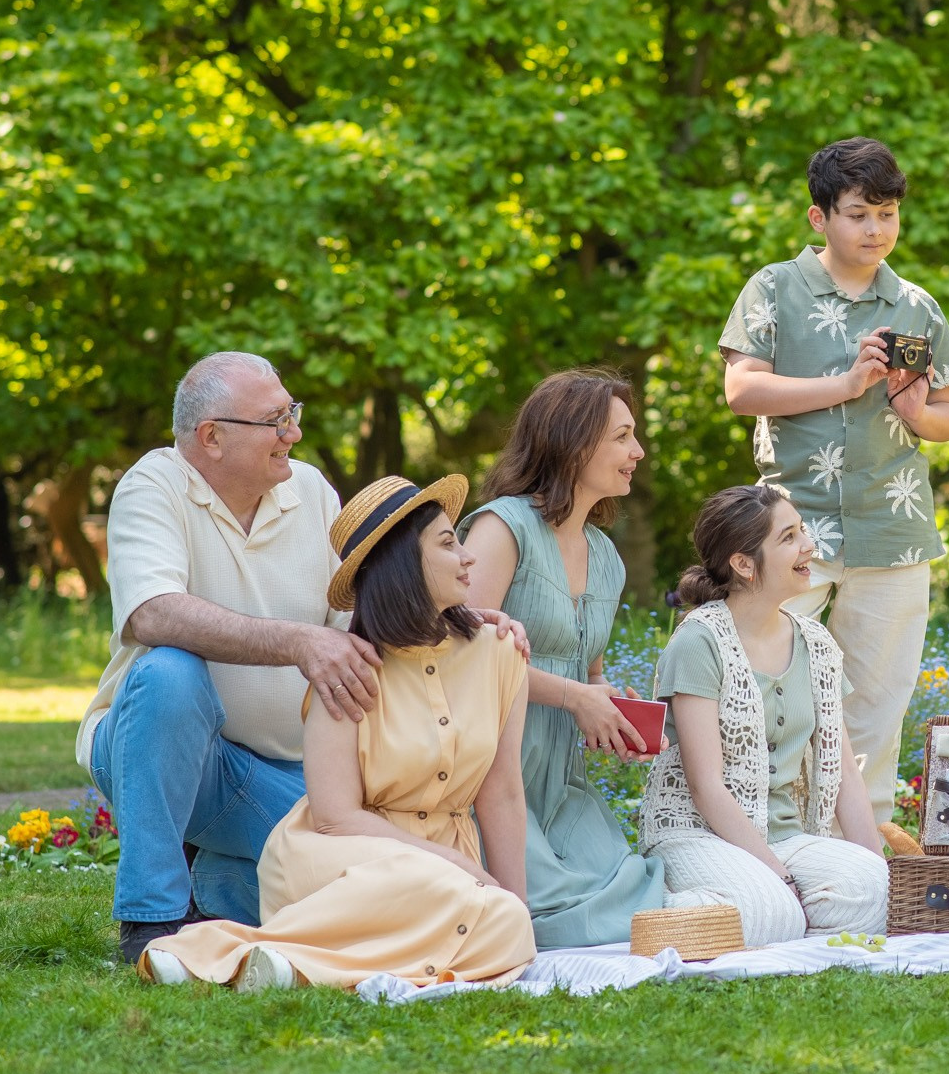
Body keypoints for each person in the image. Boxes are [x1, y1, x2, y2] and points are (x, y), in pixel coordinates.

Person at [78, 352, 527, 965]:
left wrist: (455, 623)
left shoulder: (309, 489)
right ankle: (151, 921)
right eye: (277, 420)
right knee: (168, 672)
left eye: (293, 413)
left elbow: (365, 625)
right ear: (212, 437)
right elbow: (152, 613)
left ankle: (216, 894)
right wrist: (297, 641)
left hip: (287, 774)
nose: (294, 432)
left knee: (331, 877)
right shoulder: (153, 486)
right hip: (169, 749)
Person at [140, 474, 536, 990]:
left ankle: (286, 966)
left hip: (441, 875)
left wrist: (515, 904)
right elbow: (334, 817)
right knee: (442, 887)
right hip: (340, 856)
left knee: (506, 922)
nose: (467, 557)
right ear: (402, 566)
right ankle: (222, 952)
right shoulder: (347, 668)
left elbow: (502, 792)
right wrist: (452, 863)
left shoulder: (502, 653)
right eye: (446, 543)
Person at [718, 137, 949, 843]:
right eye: (859, 213)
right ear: (818, 217)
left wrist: (920, 414)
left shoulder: (917, 304)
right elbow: (741, 388)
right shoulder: (773, 288)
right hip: (790, 530)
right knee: (763, 687)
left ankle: (864, 843)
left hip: (894, 526)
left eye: (888, 214)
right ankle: (760, 833)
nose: (876, 230)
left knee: (877, 701)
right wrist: (846, 385)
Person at [461, 368, 680, 947]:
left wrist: (606, 706)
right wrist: (575, 698)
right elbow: (461, 653)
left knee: (643, 893)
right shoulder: (501, 528)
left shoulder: (606, 556)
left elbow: (590, 671)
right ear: (573, 441)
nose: (638, 451)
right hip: (491, 774)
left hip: (561, 781)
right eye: (622, 436)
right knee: (560, 913)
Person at [639, 484, 888, 947]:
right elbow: (705, 786)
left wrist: (878, 870)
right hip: (698, 835)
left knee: (872, 891)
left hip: (787, 839)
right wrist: (777, 876)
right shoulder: (699, 642)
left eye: (802, 531)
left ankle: (752, 912)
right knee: (770, 911)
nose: (809, 545)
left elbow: (846, 778)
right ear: (745, 564)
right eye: (789, 537)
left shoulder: (817, 645)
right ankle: (663, 905)